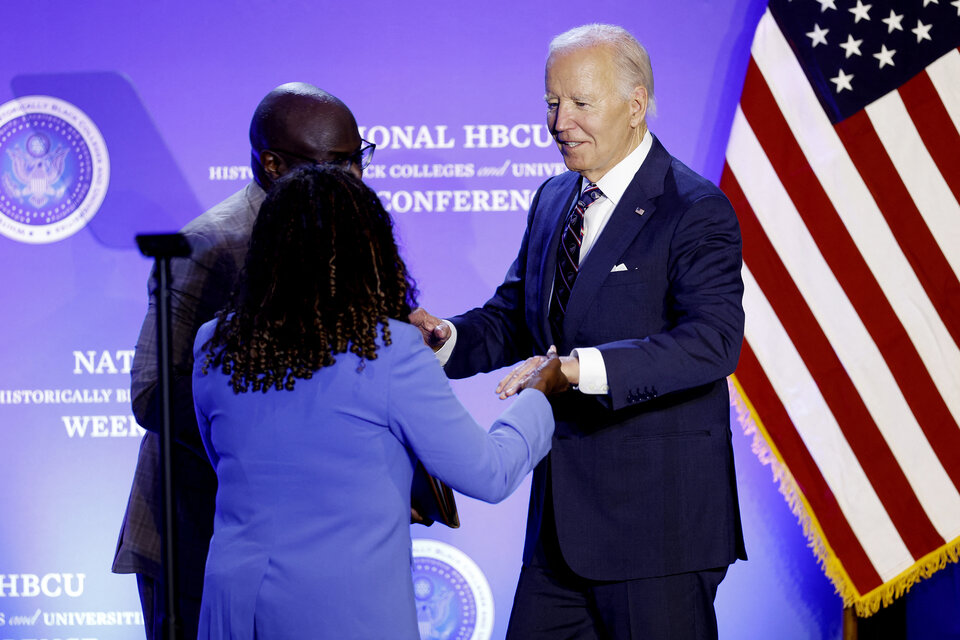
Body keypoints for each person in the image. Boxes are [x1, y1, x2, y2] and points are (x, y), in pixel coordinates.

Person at [411, 23, 746, 639]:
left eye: (580, 103)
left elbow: (712, 341)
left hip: (659, 536)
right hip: (559, 535)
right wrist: (444, 341)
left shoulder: (693, 208)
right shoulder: (553, 199)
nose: (560, 121)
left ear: (636, 105)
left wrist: (574, 370)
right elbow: (515, 317)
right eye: (551, 102)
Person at [192, 164, 567, 639]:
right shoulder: (386, 349)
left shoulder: (215, 343)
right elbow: (489, 472)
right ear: (367, 252)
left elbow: (228, 460)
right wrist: (541, 394)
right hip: (341, 611)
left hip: (233, 608)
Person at [112, 82, 373, 640]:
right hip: (198, 535)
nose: (354, 179)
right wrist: (263, 426)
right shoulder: (210, 246)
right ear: (274, 165)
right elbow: (153, 395)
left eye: (359, 159)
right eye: (334, 164)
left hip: (305, 542)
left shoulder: (348, 234)